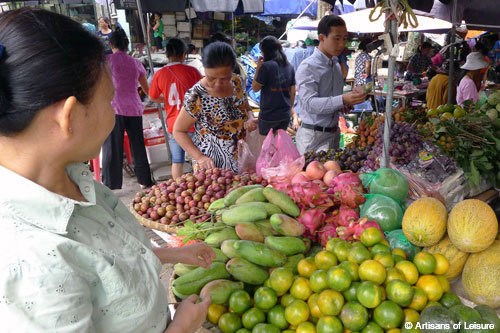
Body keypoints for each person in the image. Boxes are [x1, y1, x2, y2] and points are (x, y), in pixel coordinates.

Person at [0, 8, 214, 333]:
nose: (114, 111)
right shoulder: (31, 266)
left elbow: (108, 264)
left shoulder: (74, 177)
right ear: (69, 117)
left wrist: (173, 255)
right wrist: (181, 327)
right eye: (109, 100)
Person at [173, 42, 258, 173]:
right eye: (211, 78)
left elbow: (246, 108)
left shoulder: (237, 82)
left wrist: (250, 118)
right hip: (212, 168)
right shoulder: (196, 96)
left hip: (242, 160)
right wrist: (200, 157)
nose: (218, 84)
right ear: (204, 69)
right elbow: (178, 131)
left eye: (224, 78)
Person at [295, 14, 366, 155]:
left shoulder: (336, 66)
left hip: (334, 135)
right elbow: (309, 104)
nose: (341, 44)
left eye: (344, 39)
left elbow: (330, 100)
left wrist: (343, 105)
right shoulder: (308, 67)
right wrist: (342, 99)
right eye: (337, 38)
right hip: (312, 138)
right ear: (322, 38)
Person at [102, 29, 153, 190]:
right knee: (137, 145)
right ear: (126, 45)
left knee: (112, 146)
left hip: (114, 108)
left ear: (111, 44)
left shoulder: (106, 61)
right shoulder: (136, 63)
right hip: (134, 109)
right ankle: (144, 180)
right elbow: (147, 90)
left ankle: (111, 184)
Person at [149, 38, 202, 180]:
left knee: (177, 161)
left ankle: (178, 187)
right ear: (184, 54)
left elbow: (153, 97)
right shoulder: (193, 71)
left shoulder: (159, 74)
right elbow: (203, 94)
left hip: (174, 124)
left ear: (166, 54)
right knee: (198, 159)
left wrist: (167, 101)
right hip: (194, 123)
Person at [252, 36, 299, 136]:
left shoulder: (266, 66)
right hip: (284, 115)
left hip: (268, 115)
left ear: (266, 51)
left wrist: (258, 68)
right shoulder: (289, 66)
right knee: (280, 146)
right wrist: (288, 109)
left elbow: (255, 88)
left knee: (266, 149)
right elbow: (293, 92)